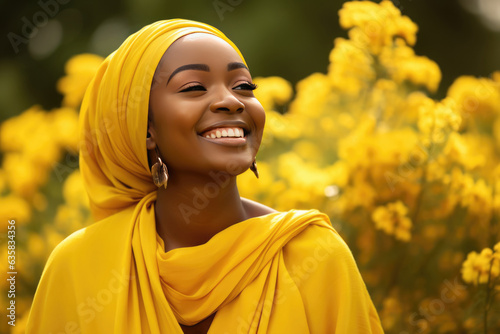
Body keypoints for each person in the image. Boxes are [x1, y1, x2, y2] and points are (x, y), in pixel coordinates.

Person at [26, 19, 384, 333]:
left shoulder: (315, 257)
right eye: (194, 87)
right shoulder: (79, 268)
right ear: (145, 128)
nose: (232, 101)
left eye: (244, 86)